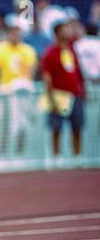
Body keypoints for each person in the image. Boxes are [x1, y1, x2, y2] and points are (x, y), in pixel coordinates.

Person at [0, 23, 37, 157]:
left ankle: (20, 154)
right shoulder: (0, 48)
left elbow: (30, 72)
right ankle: (3, 154)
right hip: (6, 93)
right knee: (5, 124)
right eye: (13, 32)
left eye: (18, 33)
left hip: (22, 94)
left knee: (22, 125)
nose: (16, 36)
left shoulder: (27, 50)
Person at [41, 22, 86, 168]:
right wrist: (51, 98)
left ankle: (77, 156)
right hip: (59, 95)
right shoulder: (50, 52)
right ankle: (56, 157)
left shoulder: (72, 50)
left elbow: (77, 72)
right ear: (57, 33)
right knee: (56, 128)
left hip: (75, 94)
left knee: (77, 126)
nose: (68, 31)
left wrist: (82, 89)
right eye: (64, 29)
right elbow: (46, 76)